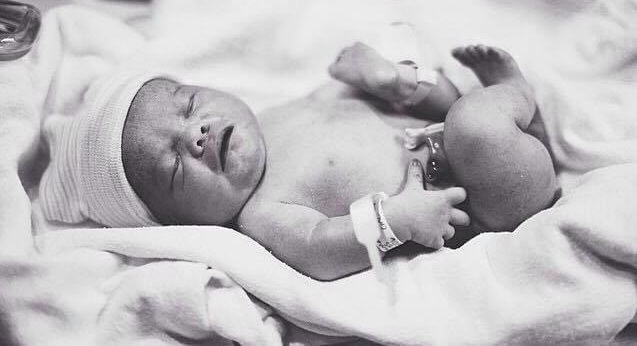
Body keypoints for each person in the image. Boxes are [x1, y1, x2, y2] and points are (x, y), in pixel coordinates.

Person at [39, 39, 558, 281]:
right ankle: (514, 96)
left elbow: (406, 103)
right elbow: (320, 250)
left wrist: (386, 79)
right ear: (176, 223)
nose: (194, 135)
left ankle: (499, 104)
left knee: (443, 103)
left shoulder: (282, 113)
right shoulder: (262, 212)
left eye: (190, 104)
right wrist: (397, 220)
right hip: (488, 198)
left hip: (449, 134)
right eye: (174, 166)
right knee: (474, 125)